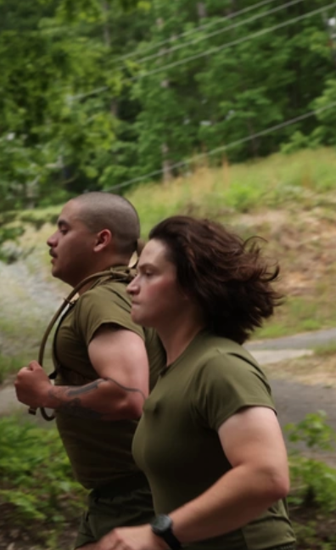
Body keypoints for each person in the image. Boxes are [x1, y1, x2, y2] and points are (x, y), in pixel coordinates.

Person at [98, 216, 294, 550]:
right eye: (135, 273)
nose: (132, 286)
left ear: (190, 286)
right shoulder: (174, 368)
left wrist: (159, 533)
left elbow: (267, 475)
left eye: (148, 274)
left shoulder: (220, 365)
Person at [13, 192, 164, 549]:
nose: (51, 239)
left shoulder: (102, 299)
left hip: (135, 497)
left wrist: (46, 394)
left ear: (101, 240)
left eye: (63, 230)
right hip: (119, 496)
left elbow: (130, 396)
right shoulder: (117, 292)